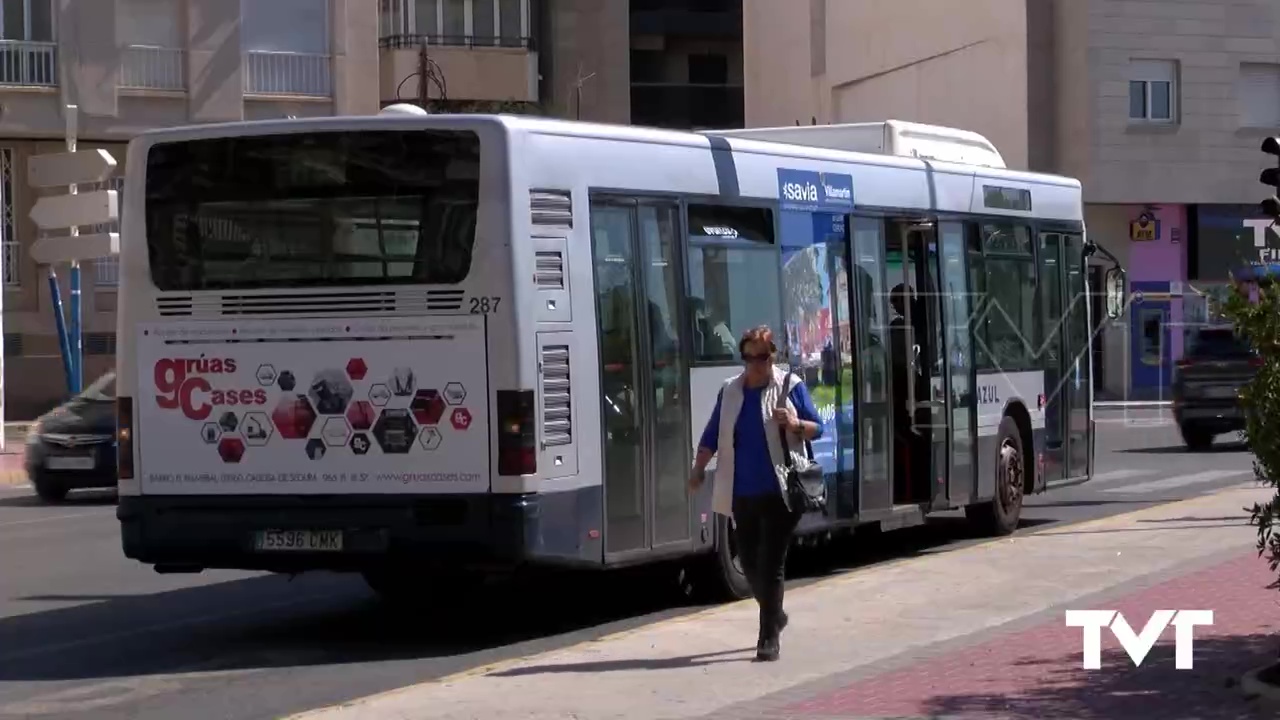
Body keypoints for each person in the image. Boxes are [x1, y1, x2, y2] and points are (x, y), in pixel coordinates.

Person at [687, 325, 824, 662]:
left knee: (771, 563)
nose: (755, 364)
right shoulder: (731, 392)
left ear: (772, 355)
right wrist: (697, 470)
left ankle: (768, 638)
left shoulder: (789, 387)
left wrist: (794, 424)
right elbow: (712, 432)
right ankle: (775, 613)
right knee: (748, 564)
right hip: (742, 492)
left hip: (781, 491)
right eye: (748, 357)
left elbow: (816, 427)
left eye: (761, 357)